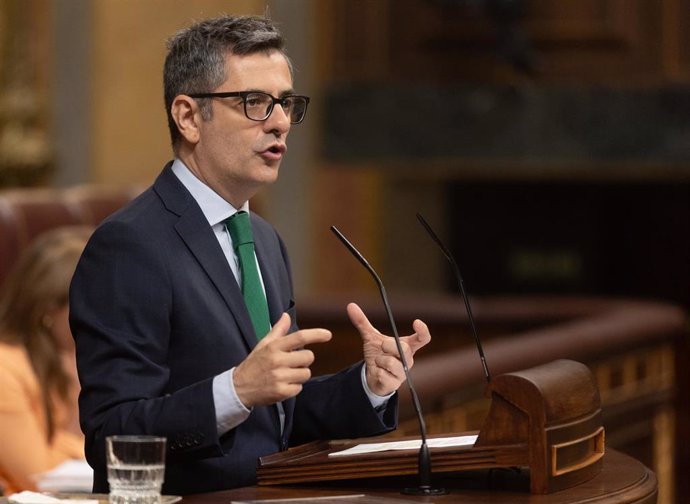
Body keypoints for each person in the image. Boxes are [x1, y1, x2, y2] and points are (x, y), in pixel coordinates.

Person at [70, 14, 432, 495]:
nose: (281, 121)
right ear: (189, 116)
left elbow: (275, 416)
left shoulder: (262, 238)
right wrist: (236, 390)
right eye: (254, 102)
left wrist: (370, 384)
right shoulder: (130, 245)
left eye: (284, 102)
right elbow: (112, 435)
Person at [0, 227, 92, 495]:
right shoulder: (5, 369)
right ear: (49, 308)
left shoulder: (66, 356)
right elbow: (38, 475)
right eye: (90, 302)